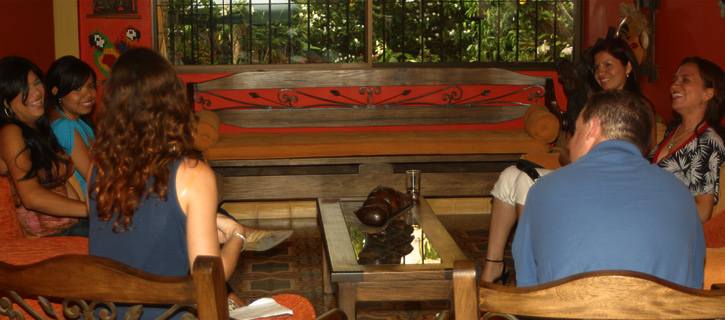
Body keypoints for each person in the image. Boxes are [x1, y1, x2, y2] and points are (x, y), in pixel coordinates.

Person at [88, 47, 305, 319]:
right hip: (168, 315)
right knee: (296, 309)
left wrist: (205, 222)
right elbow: (210, 277)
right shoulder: (193, 174)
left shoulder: (97, 167)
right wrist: (237, 235)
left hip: (105, 314)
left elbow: (140, 229)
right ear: (171, 102)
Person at [481, 37, 653, 284]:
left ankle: (534, 269)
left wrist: (582, 160)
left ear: (627, 67)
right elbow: (565, 152)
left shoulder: (639, 108)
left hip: (609, 187)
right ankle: (493, 267)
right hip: (580, 176)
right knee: (510, 175)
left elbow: (642, 157)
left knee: (523, 183)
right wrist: (578, 160)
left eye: (608, 65)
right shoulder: (593, 105)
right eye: (597, 67)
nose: (601, 73)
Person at [512, 89, 705, 289]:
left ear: (592, 128)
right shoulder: (682, 194)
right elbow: (694, 285)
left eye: (576, 131)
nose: (568, 145)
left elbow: (527, 286)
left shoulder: (544, 190)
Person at [0, 56, 88, 238]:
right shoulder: (10, 132)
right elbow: (31, 197)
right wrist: (91, 210)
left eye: (37, 83)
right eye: (23, 88)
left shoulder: (39, 129)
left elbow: (65, 184)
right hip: (50, 238)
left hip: (73, 228)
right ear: (6, 101)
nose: (36, 93)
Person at [650, 57, 725, 224]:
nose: (674, 85)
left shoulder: (707, 142)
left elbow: (702, 213)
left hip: (674, 231)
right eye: (675, 79)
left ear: (708, 93)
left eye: (686, 80)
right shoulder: (672, 130)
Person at [47, 55, 97, 200]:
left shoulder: (79, 121)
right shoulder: (64, 127)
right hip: (87, 212)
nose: (88, 94)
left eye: (91, 86)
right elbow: (94, 177)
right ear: (56, 91)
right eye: (77, 89)